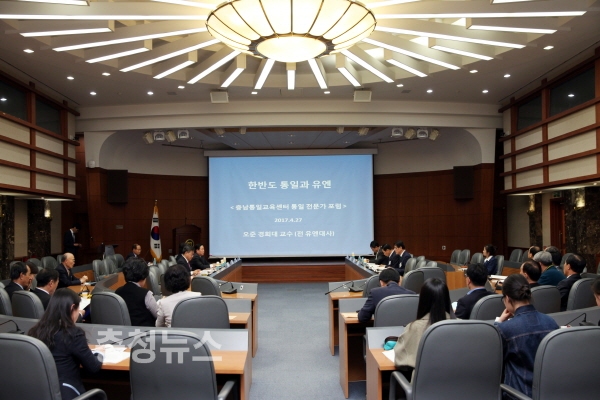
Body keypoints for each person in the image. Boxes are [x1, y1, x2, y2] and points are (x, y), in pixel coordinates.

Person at [28, 289, 103, 400]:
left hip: (42, 393)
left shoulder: (35, 331)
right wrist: (100, 354)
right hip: (69, 393)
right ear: (72, 308)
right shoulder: (73, 334)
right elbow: (93, 367)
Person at [495, 274, 559, 399]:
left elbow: (494, 358)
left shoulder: (506, 330)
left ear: (507, 298)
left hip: (518, 395)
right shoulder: (551, 322)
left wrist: (498, 322)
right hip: (548, 394)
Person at [393, 278, 451, 376]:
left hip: (424, 384)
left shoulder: (415, 327)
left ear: (423, 300)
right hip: (457, 384)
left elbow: (400, 360)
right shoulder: (461, 326)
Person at [115, 258, 158, 327]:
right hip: (145, 331)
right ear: (143, 275)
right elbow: (158, 316)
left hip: (124, 331)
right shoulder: (146, 294)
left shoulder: (117, 292)